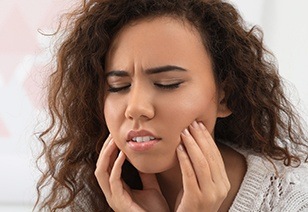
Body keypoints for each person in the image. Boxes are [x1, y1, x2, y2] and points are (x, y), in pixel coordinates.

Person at [35, 0, 308, 211]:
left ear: (225, 97)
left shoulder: (294, 200)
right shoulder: (83, 194)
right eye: (118, 87)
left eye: (168, 83)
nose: (136, 108)